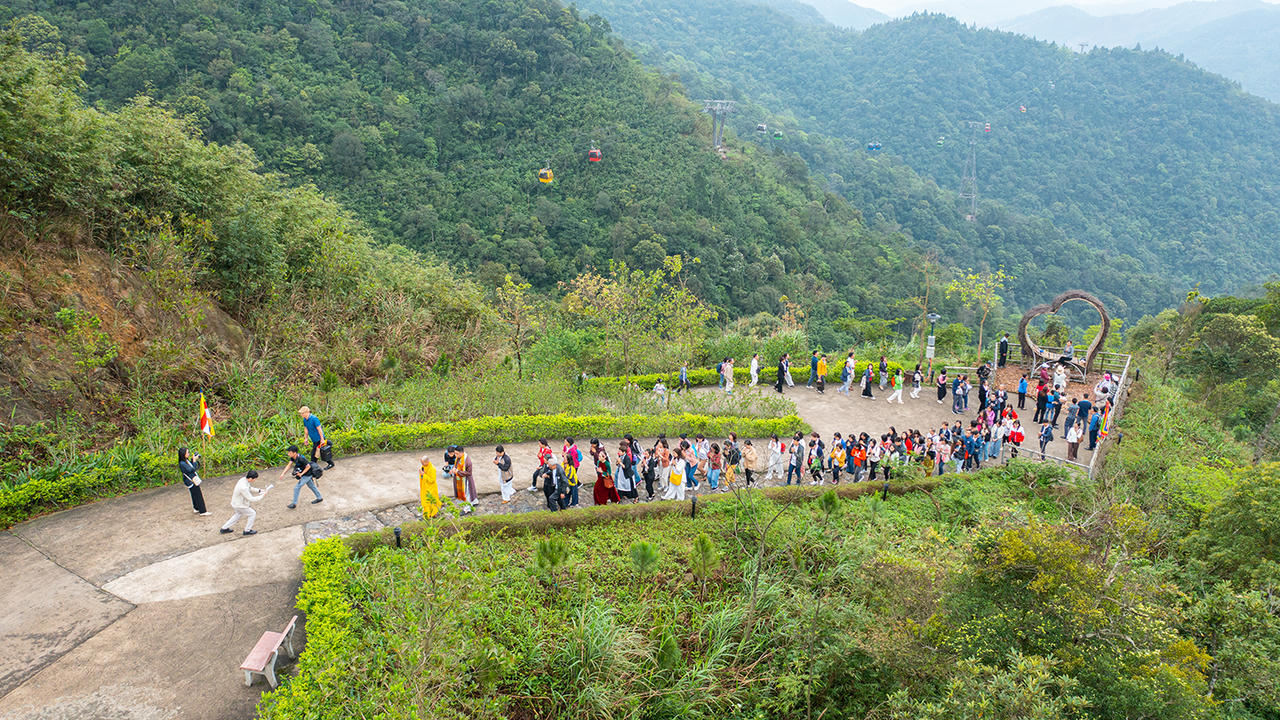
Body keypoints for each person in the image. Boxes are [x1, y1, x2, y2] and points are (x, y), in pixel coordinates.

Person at [220, 470, 268, 535]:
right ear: (251, 478)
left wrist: (259, 490)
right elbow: (251, 499)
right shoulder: (243, 488)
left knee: (238, 514)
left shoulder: (243, 479)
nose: (255, 480)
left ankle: (224, 528)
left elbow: (249, 488)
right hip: (240, 505)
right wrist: (262, 496)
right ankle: (247, 530)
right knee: (252, 513)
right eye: (255, 479)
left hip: (235, 503)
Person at [178, 447, 210, 516]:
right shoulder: (182, 463)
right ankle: (203, 511)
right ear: (183, 454)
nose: (188, 454)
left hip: (191, 480)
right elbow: (192, 469)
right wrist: (195, 461)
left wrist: (193, 459)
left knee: (194, 494)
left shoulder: (185, 461)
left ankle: (196, 508)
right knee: (198, 495)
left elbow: (191, 466)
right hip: (191, 481)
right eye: (187, 453)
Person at [453, 446, 477, 510]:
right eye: (455, 453)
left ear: (461, 453)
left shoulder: (467, 461)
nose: (455, 455)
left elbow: (469, 473)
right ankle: (474, 502)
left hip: (466, 480)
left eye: (457, 453)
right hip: (460, 478)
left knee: (467, 494)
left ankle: (467, 509)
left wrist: (458, 471)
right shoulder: (458, 458)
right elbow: (456, 466)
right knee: (469, 493)